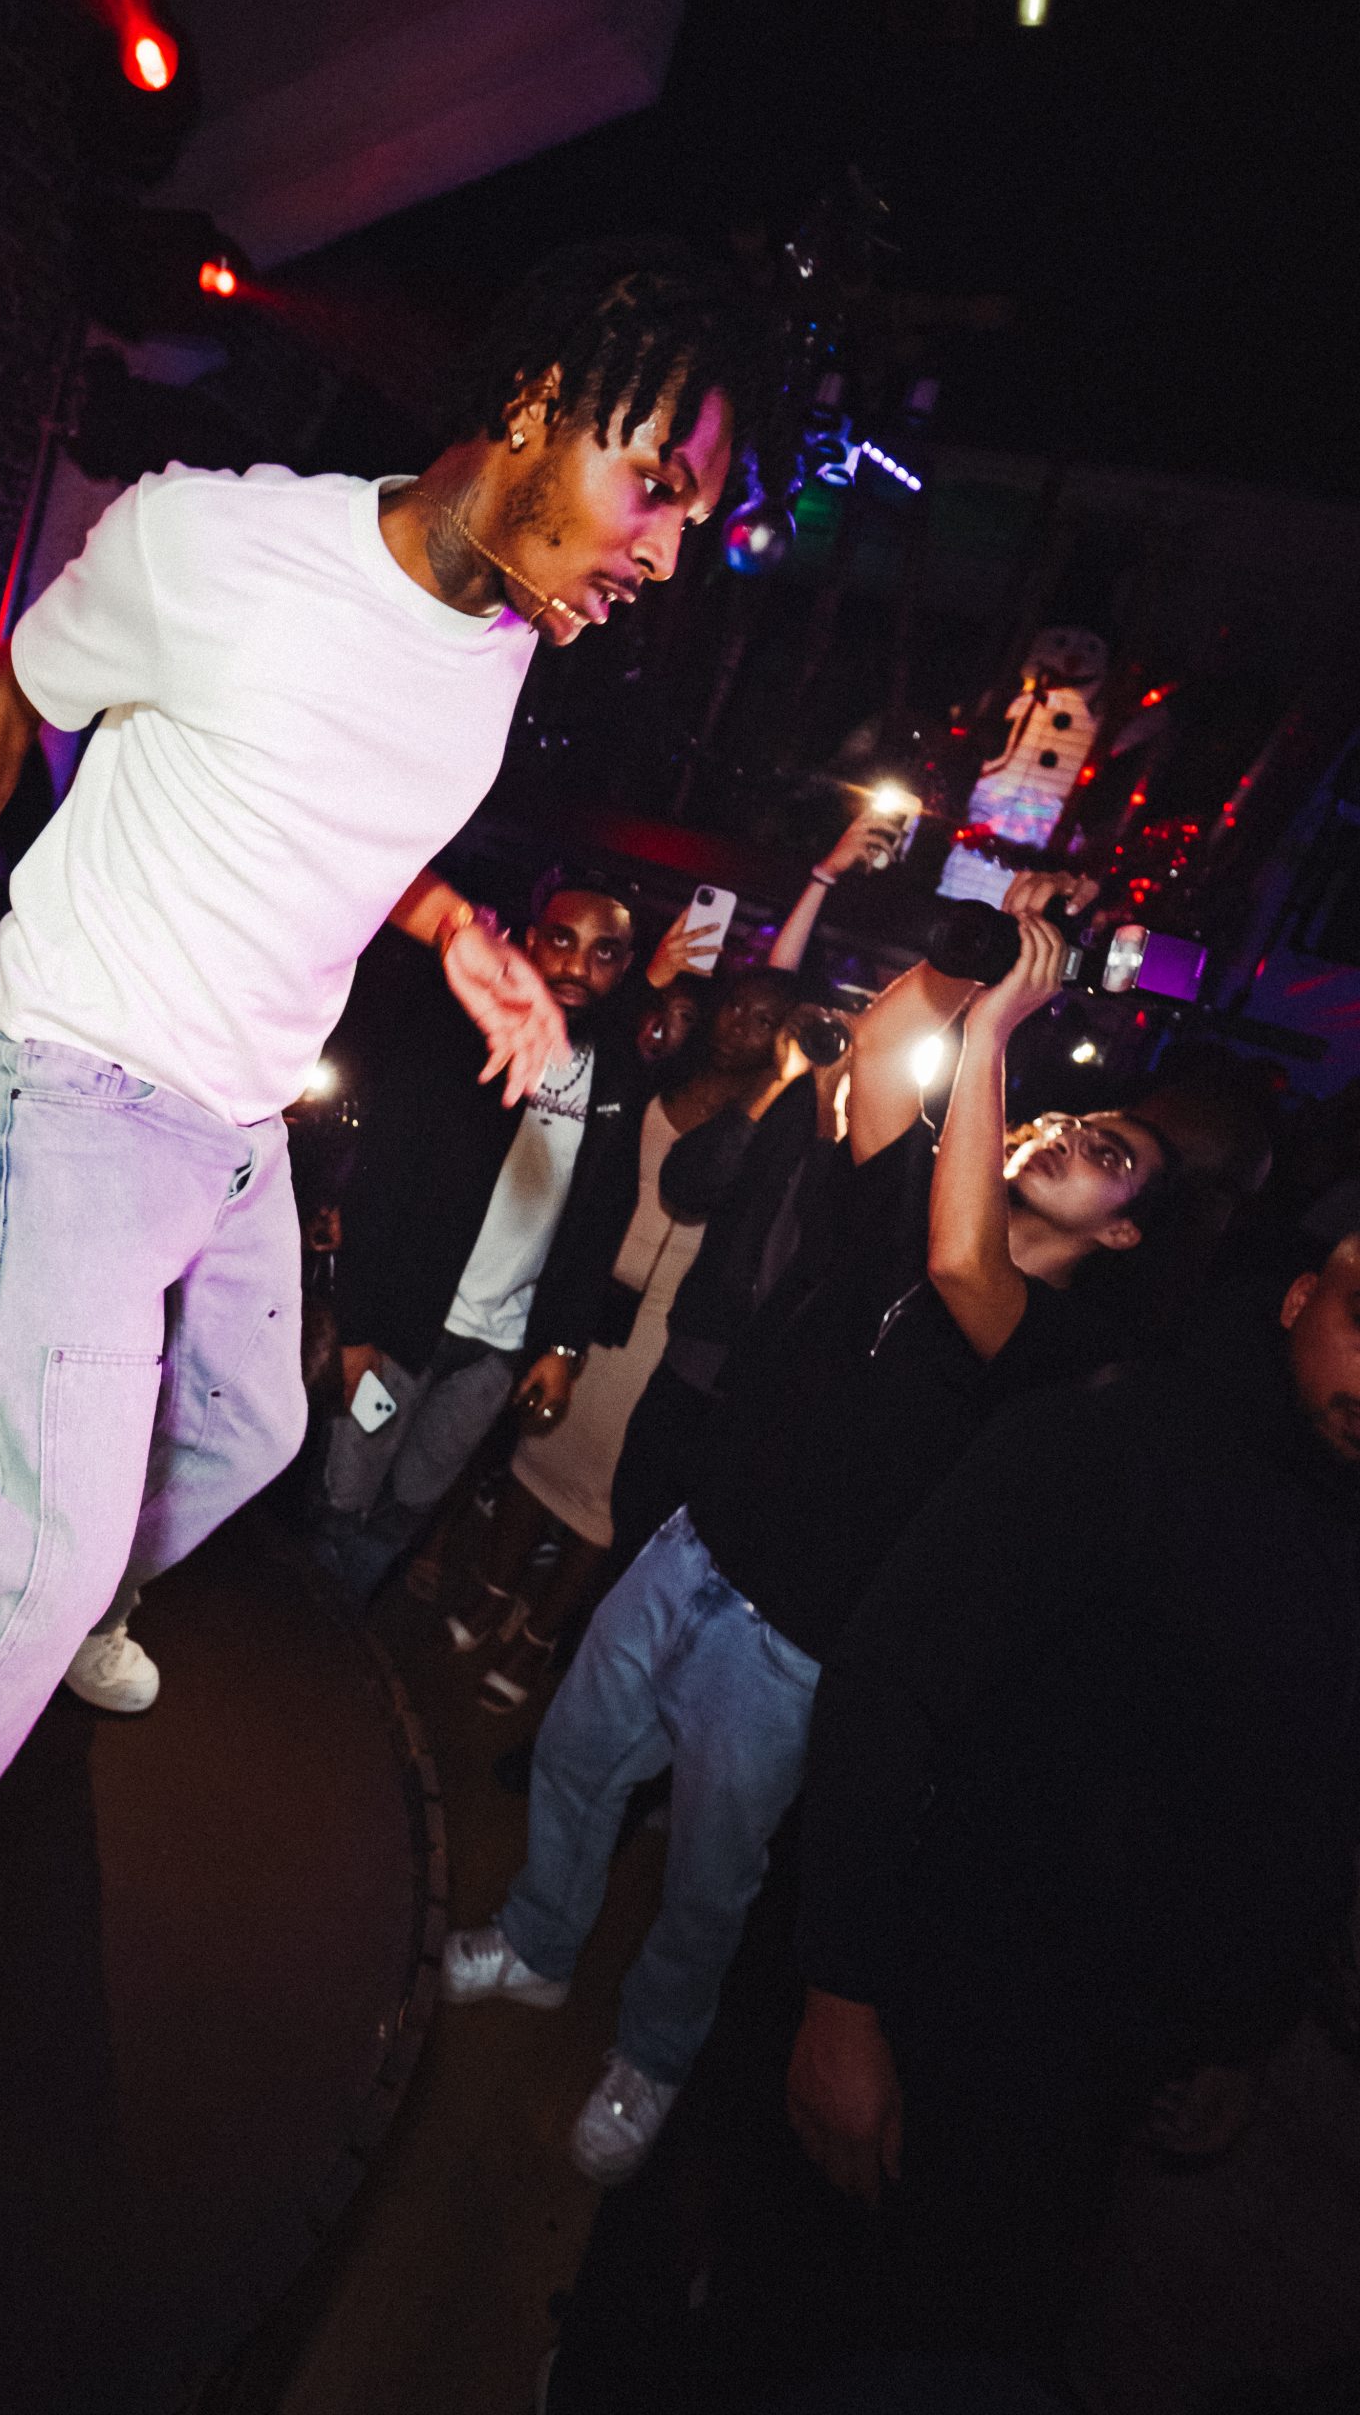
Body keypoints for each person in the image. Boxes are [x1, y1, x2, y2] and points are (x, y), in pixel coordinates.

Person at [0, 240, 762, 2163]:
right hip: (76, 1070)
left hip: (239, 1118)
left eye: (694, 517)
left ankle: (77, 1552)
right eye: (655, 487)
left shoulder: (503, 640)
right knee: (24, 1570)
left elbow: (330, 801)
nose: (666, 553)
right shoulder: (212, 541)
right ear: (534, 408)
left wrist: (453, 928)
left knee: (250, 1435)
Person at [441, 871, 1192, 2186]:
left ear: (1123, 1233)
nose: (1071, 1140)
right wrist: (975, 957)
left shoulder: (1064, 1347)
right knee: (572, 1757)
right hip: (696, 1544)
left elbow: (967, 1266)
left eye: (1108, 1156)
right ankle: (539, 1943)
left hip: (797, 1642)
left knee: (706, 1884)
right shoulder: (907, 1205)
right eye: (1071, 1121)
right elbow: (893, 1051)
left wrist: (997, 1033)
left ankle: (652, 2057)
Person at [785, 1230, 1360, 2383]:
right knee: (791, 2303)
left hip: (1100, 2075)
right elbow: (887, 1685)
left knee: (957, 2339)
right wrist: (838, 1998)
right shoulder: (1123, 1431)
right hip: (937, 2005)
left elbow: (1309, 1813)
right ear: (1299, 1297)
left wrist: (1238, 2036)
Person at [455, 807, 893, 1708]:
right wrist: (819, 875)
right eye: (735, 1006)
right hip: (590, 1294)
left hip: (665, 1329)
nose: (743, 1023)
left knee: (601, 1496)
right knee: (536, 1458)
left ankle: (535, 1641)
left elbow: (724, 1191)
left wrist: (801, 1072)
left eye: (766, 1018)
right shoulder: (655, 1071)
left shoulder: (777, 1121)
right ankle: (492, 1593)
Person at [309, 879, 647, 1610]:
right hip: (402, 1325)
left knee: (414, 1499)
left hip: (496, 1353)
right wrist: (357, 1329)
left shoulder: (618, 1074)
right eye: (563, 940)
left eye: (603, 953)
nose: (577, 966)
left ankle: (350, 1622)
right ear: (531, 939)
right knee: (347, 1488)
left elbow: (599, 1221)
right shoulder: (466, 1029)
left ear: (625, 968)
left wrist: (561, 1347)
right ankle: (307, 1630)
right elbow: (383, 1177)